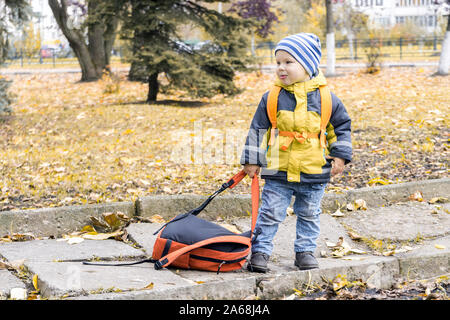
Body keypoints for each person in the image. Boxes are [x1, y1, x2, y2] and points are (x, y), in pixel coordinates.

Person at [241, 33, 352, 273]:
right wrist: (251, 159)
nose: (281, 68)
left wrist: (340, 155)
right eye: (278, 62)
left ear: (308, 65)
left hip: (314, 171)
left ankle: (305, 251)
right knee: (270, 213)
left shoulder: (326, 99)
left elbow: (340, 128)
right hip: (278, 169)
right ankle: (260, 251)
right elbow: (258, 129)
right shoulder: (272, 97)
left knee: (310, 214)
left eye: (289, 62)